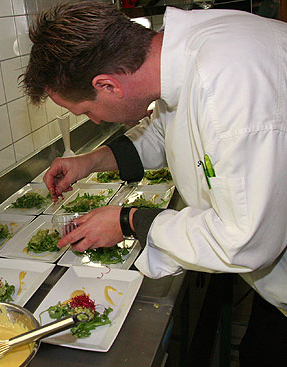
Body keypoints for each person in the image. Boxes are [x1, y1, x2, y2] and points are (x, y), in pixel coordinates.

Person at [21, 2, 287, 366]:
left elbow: (245, 241)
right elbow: (164, 132)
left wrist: (128, 220)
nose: (95, 121)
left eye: (85, 111)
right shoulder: (187, 51)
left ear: (108, 85)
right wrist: (91, 161)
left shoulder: (229, 89)